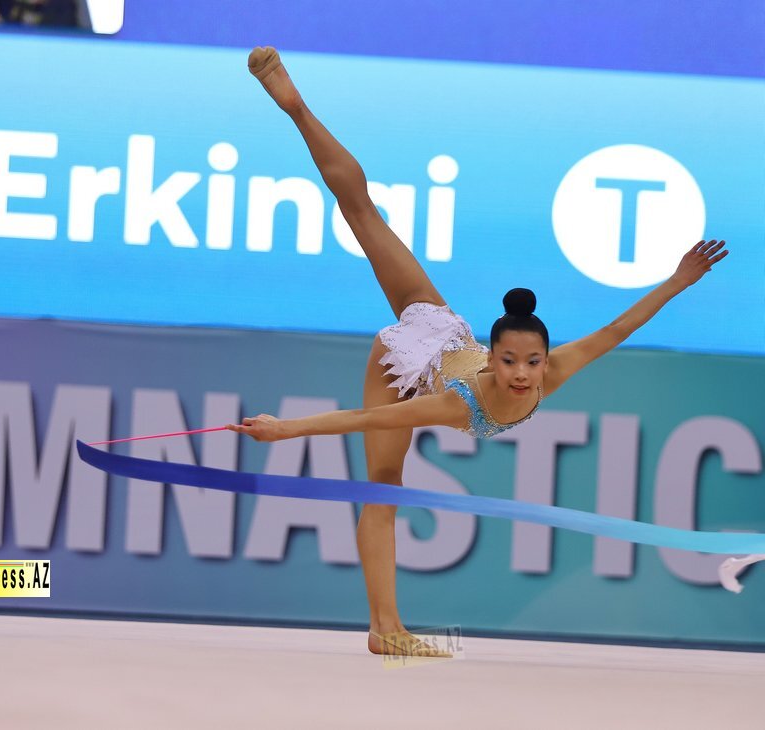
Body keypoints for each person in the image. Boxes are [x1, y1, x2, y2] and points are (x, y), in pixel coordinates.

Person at [231, 46, 729, 657]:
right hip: (405, 363)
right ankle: (296, 107)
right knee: (384, 484)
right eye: (510, 362)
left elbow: (618, 328)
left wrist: (679, 280)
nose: (521, 375)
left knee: (366, 218)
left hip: (441, 326)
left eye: (532, 363)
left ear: (545, 360)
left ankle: (387, 629)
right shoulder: (459, 403)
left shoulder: (552, 373)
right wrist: (286, 431)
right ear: (491, 358)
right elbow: (365, 417)